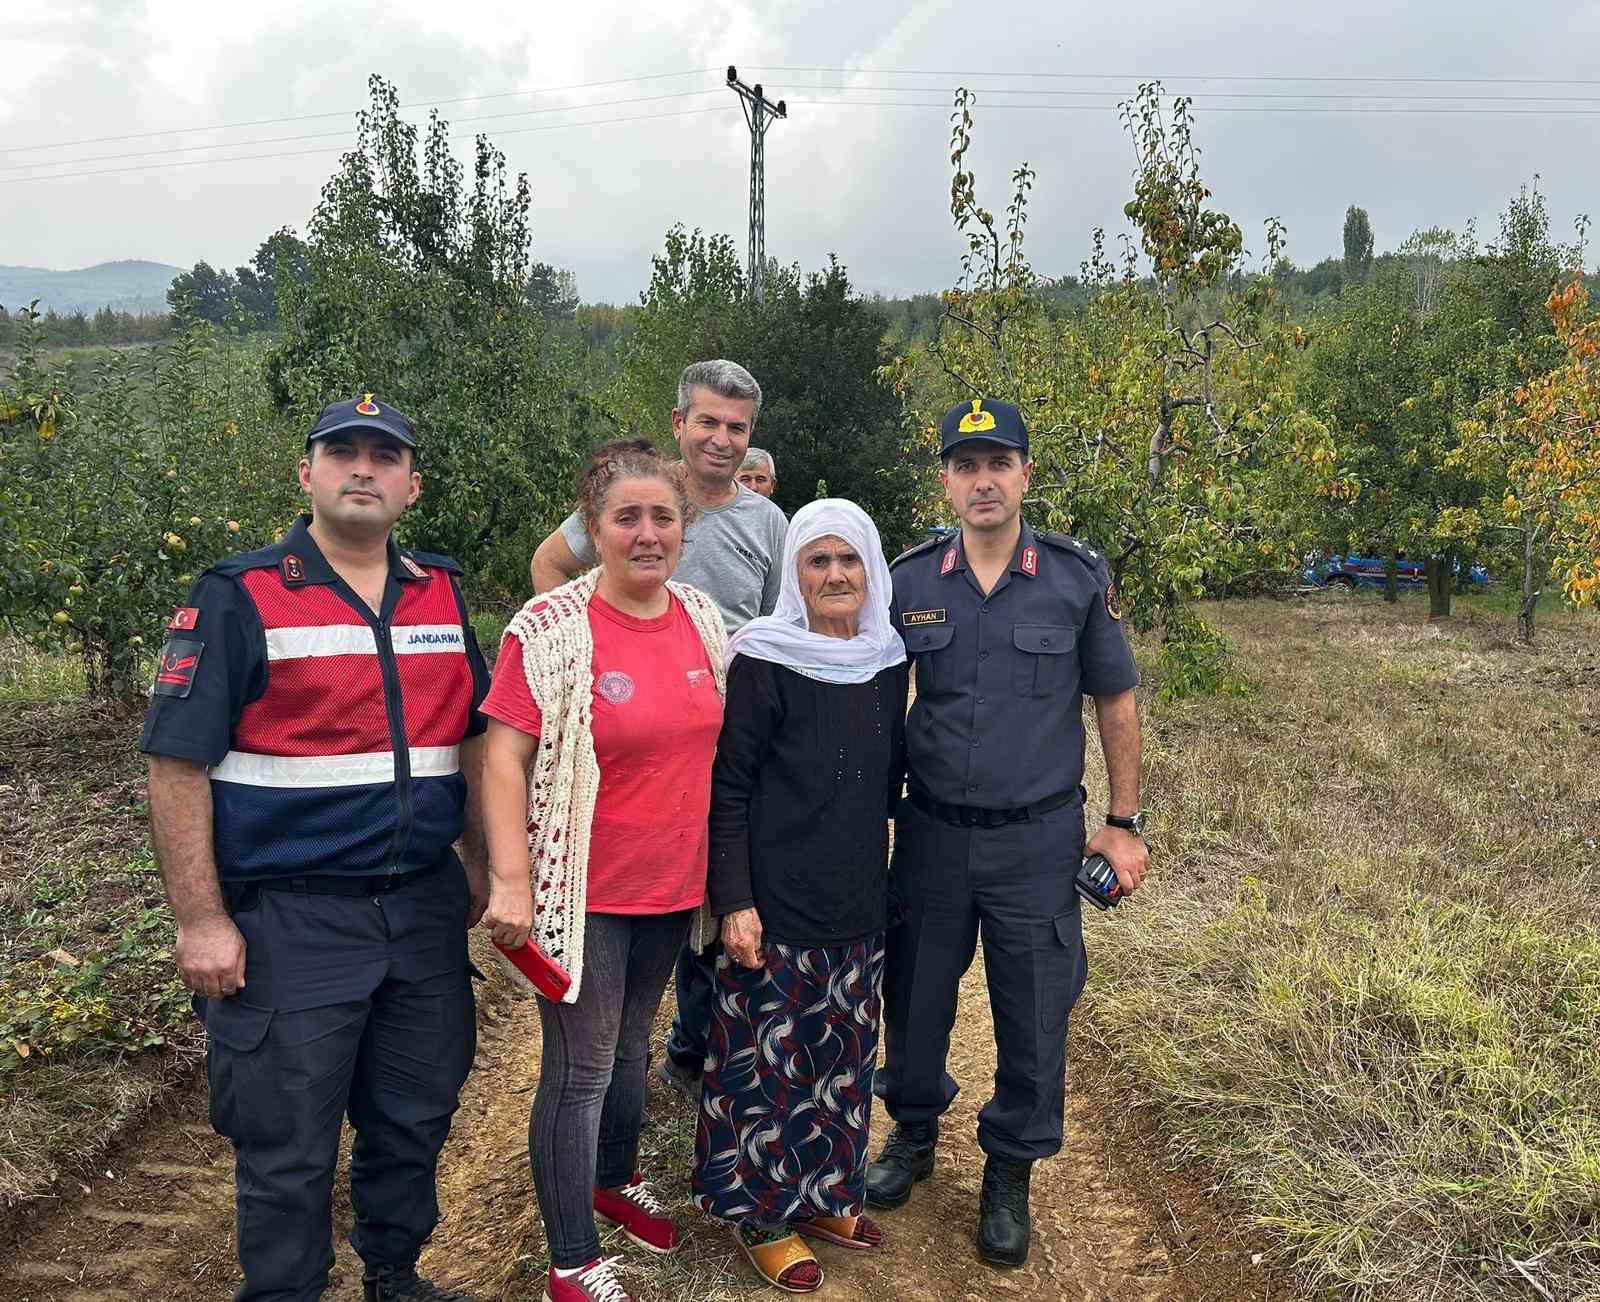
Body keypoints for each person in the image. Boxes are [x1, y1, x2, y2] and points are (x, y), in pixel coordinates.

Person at [141, 395, 490, 1302]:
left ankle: (394, 1276)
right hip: (293, 918)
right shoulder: (239, 595)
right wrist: (201, 921)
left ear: (412, 485)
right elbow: (176, 765)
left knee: (413, 1117)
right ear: (307, 473)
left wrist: (490, 865)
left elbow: (479, 738)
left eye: (385, 455)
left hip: (420, 910)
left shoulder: (440, 592)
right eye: (342, 452)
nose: (362, 469)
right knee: (288, 1144)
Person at [866, 397, 1150, 1268]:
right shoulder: (908, 581)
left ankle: (1010, 1171)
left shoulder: (1072, 577)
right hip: (932, 835)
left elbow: (1117, 700)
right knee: (914, 998)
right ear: (946, 481)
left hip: (1037, 841)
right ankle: (913, 1133)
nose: (982, 480)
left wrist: (1123, 823)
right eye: (965, 465)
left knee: (1032, 1010)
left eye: (999, 463)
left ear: (1026, 473)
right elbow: (870, 697)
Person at [481, 439, 728, 1302]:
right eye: (627, 517)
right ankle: (572, 1260)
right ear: (594, 529)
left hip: (671, 886)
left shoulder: (701, 616)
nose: (647, 532)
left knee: (632, 1050)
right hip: (585, 890)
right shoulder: (549, 631)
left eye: (663, 516)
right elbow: (504, 758)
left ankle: (612, 1181)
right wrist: (512, 879)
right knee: (579, 1067)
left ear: (683, 528)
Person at [530, 360, 788, 1108]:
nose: (721, 439)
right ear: (679, 424)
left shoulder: (766, 522)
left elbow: (775, 634)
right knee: (632, 893)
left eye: (737, 428)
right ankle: (613, 1078)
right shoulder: (644, 494)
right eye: (707, 422)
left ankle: (700, 1051)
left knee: (718, 887)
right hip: (630, 733)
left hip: (723, 740)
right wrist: (587, 653)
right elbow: (550, 563)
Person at [692, 500, 908, 1294]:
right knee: (767, 1061)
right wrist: (735, 900)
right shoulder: (763, 657)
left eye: (847, 560)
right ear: (794, 574)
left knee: (843, 1057)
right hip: (773, 900)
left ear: (871, 568)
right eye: (816, 561)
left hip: (854, 895)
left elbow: (888, 786)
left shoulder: (889, 659)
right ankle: (761, 1214)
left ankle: (822, 1194)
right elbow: (731, 787)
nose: (834, 575)